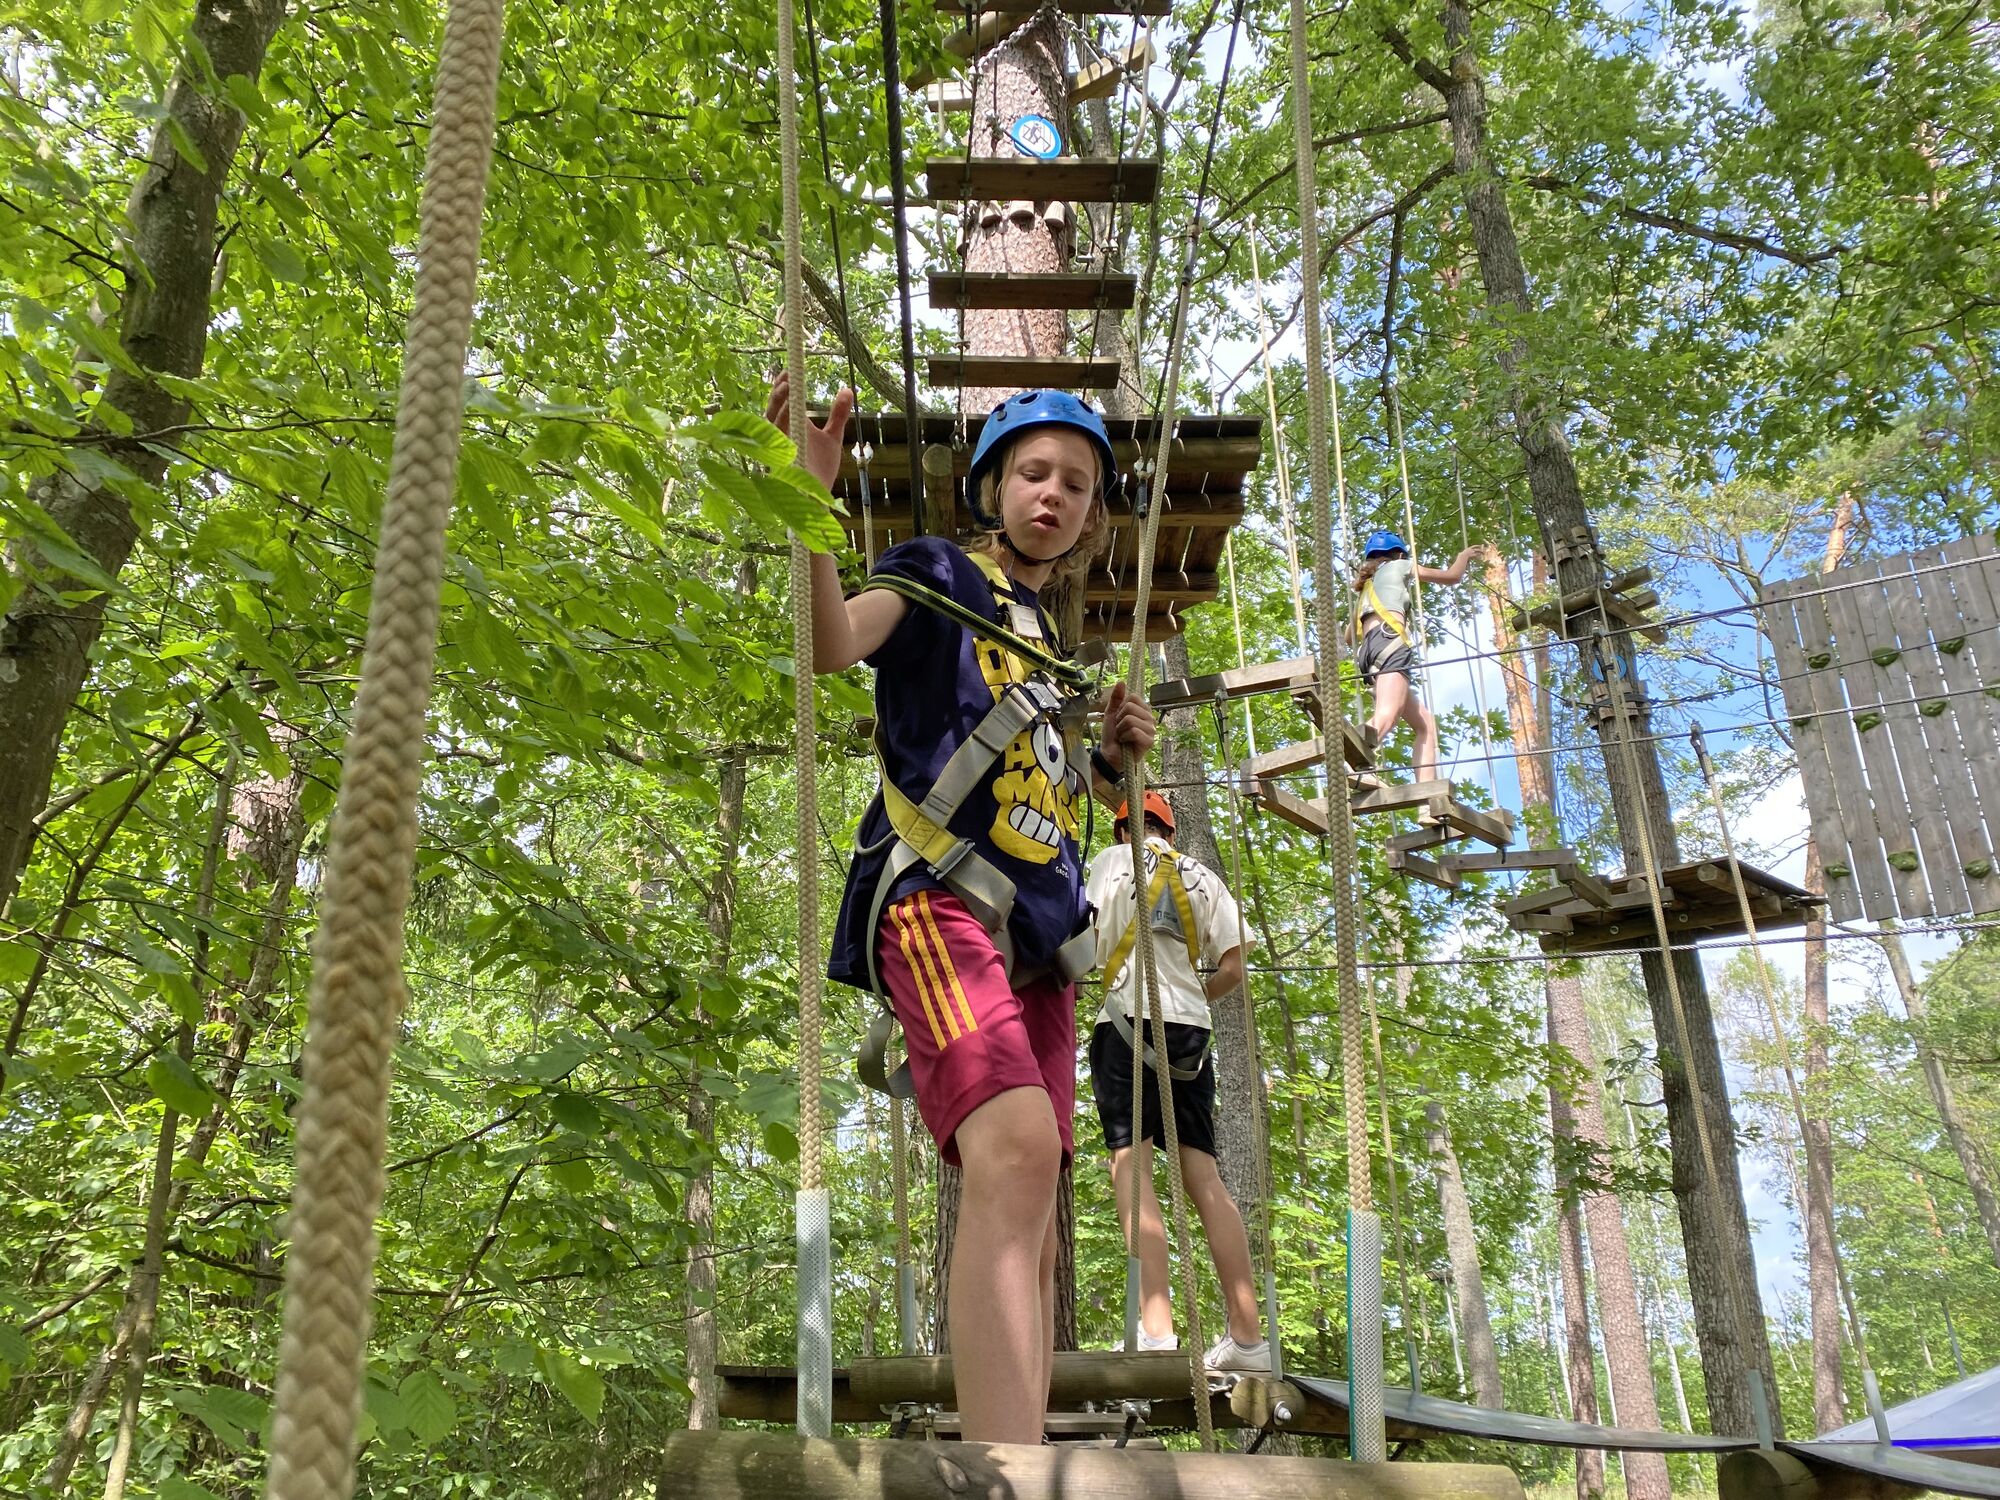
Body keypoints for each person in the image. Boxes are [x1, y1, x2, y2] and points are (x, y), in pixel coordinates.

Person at [771, 375, 1157, 1446]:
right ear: (993, 487)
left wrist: (1107, 765)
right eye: (1033, 473)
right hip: (937, 903)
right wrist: (807, 506)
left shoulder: (1048, 650)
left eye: (1075, 484)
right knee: (1017, 1153)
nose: (1053, 494)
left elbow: (1044, 803)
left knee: (1034, 1215)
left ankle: (1013, 1454)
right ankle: (1002, 1468)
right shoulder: (936, 572)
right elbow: (829, 643)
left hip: (1038, 948)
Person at [1084, 789, 1269, 1372]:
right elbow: (1234, 966)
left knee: (1132, 1168)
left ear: (1123, 830)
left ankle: (1158, 1332)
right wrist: (1193, 997)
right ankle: (1248, 1340)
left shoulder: (1110, 863)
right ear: (1170, 830)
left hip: (1122, 1022)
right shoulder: (1205, 878)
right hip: (1189, 1030)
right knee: (1203, 1176)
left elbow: (1079, 941)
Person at [1353, 529, 1481, 784]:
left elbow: (1350, 636)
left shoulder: (1366, 590)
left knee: (1425, 725)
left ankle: (1426, 796)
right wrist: (1463, 556)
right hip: (1390, 643)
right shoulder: (1400, 565)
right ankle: (1353, 764)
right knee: (1387, 715)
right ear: (1399, 554)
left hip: (1368, 652)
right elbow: (1452, 577)